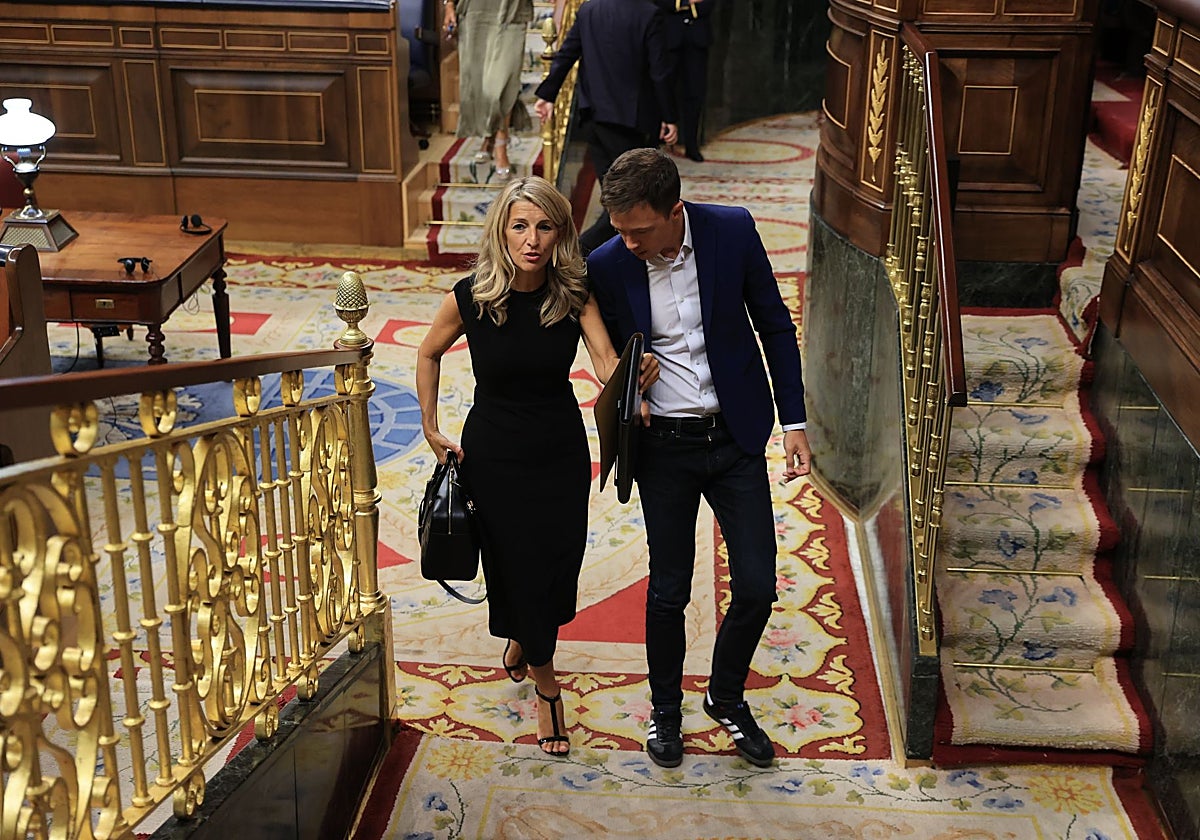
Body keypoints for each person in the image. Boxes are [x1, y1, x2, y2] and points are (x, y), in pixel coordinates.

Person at [416, 176, 658, 756]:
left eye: (544, 226)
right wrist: (430, 427)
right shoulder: (470, 295)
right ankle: (549, 691)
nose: (531, 239)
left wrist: (631, 373)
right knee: (516, 564)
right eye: (520, 225)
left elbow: (604, 363)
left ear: (560, 233)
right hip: (493, 454)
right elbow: (426, 352)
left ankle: (524, 638)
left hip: (559, 451)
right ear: (502, 229)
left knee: (555, 563)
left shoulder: (573, 293)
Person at [586, 148, 811, 769]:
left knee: (759, 586)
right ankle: (665, 709)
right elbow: (601, 352)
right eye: (618, 229)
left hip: (735, 438)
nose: (627, 242)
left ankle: (726, 696)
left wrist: (793, 421)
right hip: (665, 450)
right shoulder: (606, 263)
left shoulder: (731, 230)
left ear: (674, 211)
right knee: (668, 589)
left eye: (638, 230)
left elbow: (774, 325)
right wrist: (627, 380)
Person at [533, 0, 679, 253]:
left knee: (617, 201)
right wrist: (669, 116)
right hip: (629, 124)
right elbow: (659, 72)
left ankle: (593, 259)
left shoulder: (589, 9)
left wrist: (547, 95)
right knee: (628, 203)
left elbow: (567, 53)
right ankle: (574, 254)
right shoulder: (648, 13)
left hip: (594, 119)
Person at [442, 0, 532, 178]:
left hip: (512, 11)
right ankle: (489, 137)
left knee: (503, 82)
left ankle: (500, 144)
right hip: (474, 11)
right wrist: (449, 5)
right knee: (480, 85)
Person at [654, 0, 718, 162]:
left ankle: (691, 144)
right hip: (669, 36)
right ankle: (656, 139)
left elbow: (707, 4)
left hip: (697, 38)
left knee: (695, 92)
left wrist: (684, 6)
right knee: (663, 88)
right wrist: (685, 2)